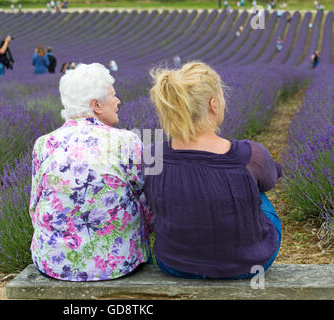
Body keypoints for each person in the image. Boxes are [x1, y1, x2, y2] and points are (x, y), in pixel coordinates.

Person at [146, 61, 282, 280]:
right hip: (248, 265)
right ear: (213, 104)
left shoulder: (152, 156)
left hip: (174, 265)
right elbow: (271, 180)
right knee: (258, 189)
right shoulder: (249, 155)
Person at [29, 63, 152, 281]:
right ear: (96, 104)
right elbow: (147, 205)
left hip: (53, 264)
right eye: (113, 96)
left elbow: (35, 206)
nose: (118, 101)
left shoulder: (44, 144)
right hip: (117, 266)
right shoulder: (127, 141)